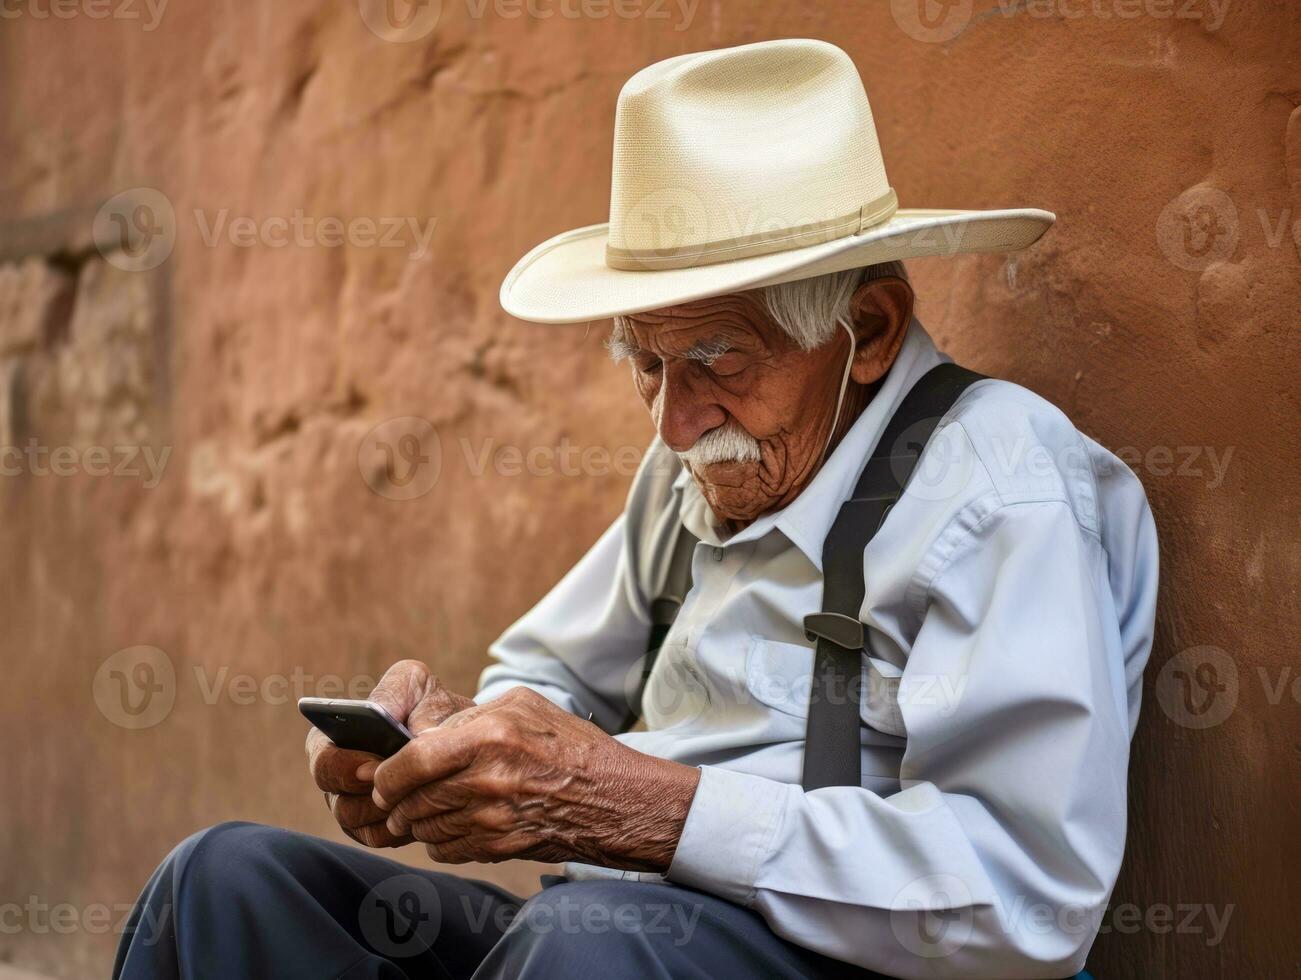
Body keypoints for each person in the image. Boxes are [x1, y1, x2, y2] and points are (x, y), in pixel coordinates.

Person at [116, 38, 1154, 980]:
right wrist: (447, 744)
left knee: (585, 947)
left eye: (713, 359)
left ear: (868, 329)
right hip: (603, 938)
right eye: (643, 362)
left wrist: (649, 809)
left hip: (826, 956)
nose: (672, 420)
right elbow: (552, 677)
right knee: (223, 885)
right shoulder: (699, 459)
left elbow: (1024, 892)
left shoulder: (1002, 480)